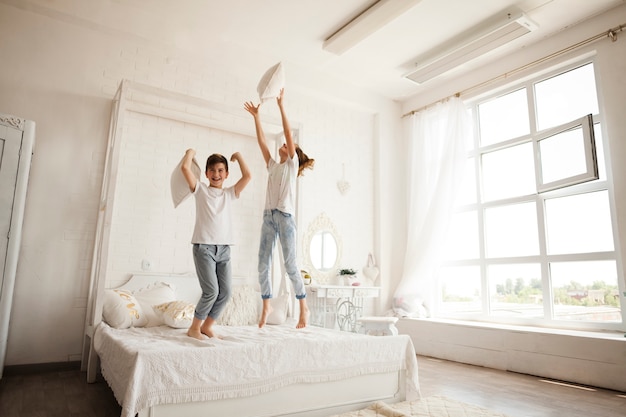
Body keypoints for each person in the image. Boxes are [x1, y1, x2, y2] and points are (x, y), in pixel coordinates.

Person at [244, 88, 314, 329]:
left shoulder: (291, 165)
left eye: (287, 144)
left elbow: (287, 131)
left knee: (290, 265)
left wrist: (281, 105)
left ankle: (303, 306)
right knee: (262, 263)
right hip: (268, 218)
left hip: (285, 218)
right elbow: (262, 142)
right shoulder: (273, 165)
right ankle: (266, 305)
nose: (283, 144)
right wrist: (256, 118)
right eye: (284, 144)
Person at [181, 149, 251, 339]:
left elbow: (248, 176)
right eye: (212, 170)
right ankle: (194, 327)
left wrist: (238, 156)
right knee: (211, 291)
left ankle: (207, 326)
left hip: (224, 249)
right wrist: (190, 153)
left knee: (226, 292)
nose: (216, 174)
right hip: (203, 248)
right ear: (206, 174)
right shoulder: (200, 190)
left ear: (227, 174)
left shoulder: (230, 194)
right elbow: (185, 168)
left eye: (221, 170)